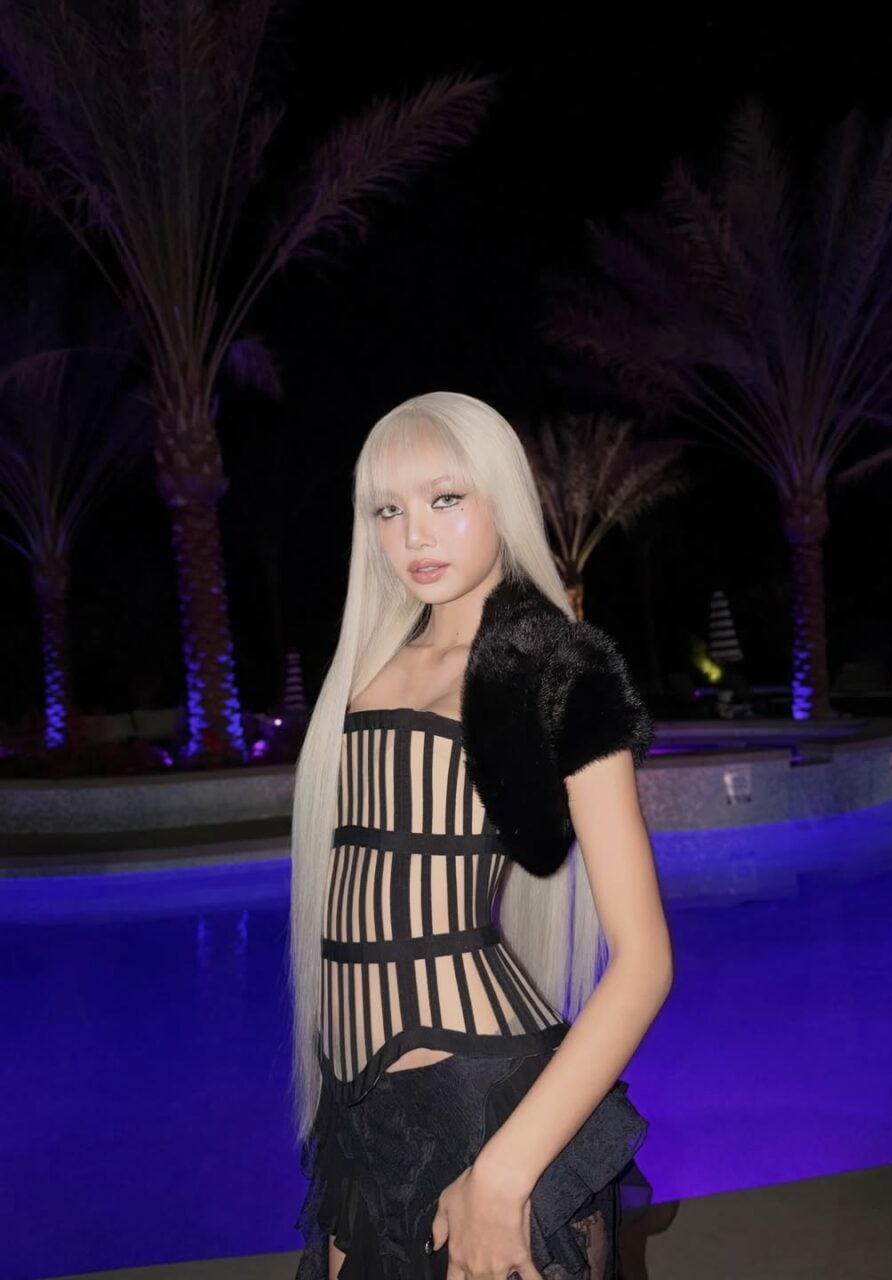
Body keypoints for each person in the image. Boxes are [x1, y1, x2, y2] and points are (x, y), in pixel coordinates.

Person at [289, 391, 674, 1279]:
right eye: (389, 510)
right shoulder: (369, 663)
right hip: (359, 1114)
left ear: (501, 497)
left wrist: (504, 1174)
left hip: (484, 1105)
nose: (415, 534)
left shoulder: (552, 667)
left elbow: (645, 958)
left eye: (445, 498)